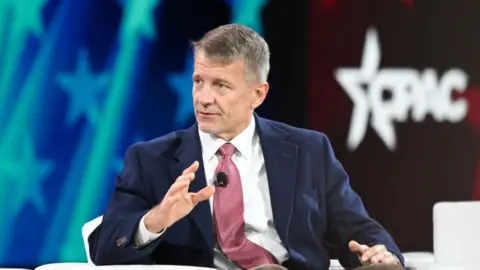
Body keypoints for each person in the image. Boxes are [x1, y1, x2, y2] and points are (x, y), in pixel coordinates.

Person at [88, 23, 404, 270]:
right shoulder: (150, 160)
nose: (203, 98)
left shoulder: (309, 150)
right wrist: (156, 220)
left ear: (258, 94)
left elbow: (358, 228)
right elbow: (106, 250)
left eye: (220, 85)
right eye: (198, 81)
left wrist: (377, 252)